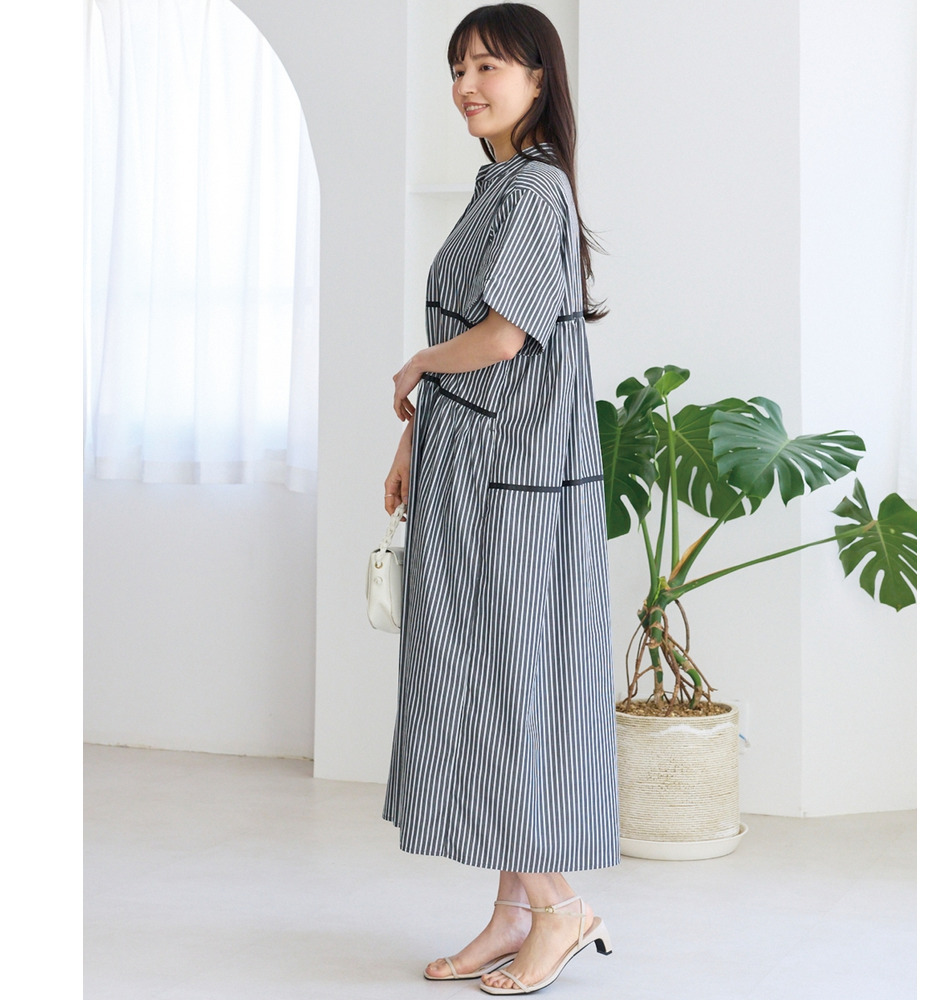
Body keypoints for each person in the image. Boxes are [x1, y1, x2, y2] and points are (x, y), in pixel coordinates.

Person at [381, 4, 619, 995]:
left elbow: (503, 336)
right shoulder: (501, 184)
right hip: (471, 467)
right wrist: (413, 437)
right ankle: (513, 912)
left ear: (537, 77)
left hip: (509, 490)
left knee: (501, 684)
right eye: (457, 68)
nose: (466, 85)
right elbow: (484, 343)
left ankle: (559, 907)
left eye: (488, 65)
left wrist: (416, 365)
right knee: (486, 679)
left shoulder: (536, 188)